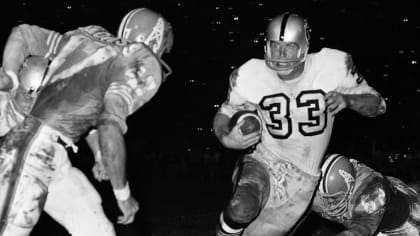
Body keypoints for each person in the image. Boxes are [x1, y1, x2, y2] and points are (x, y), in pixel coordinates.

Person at [0, 7, 173, 235]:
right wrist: (123, 194)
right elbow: (109, 125)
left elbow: (23, 34)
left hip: (52, 154)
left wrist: (11, 77)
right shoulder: (140, 59)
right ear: (154, 40)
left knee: (98, 231)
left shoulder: (89, 36)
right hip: (33, 149)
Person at [213, 12, 386, 236]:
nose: (281, 54)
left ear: (304, 46)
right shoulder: (249, 74)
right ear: (266, 45)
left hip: (303, 179)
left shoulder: (333, 65)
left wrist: (348, 100)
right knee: (242, 207)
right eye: (275, 46)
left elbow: (379, 105)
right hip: (264, 159)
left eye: (289, 47)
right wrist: (227, 138)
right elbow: (223, 114)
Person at [312, 153, 420, 236]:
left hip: (407, 220)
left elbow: (361, 229)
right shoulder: (345, 175)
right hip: (391, 191)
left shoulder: (371, 198)